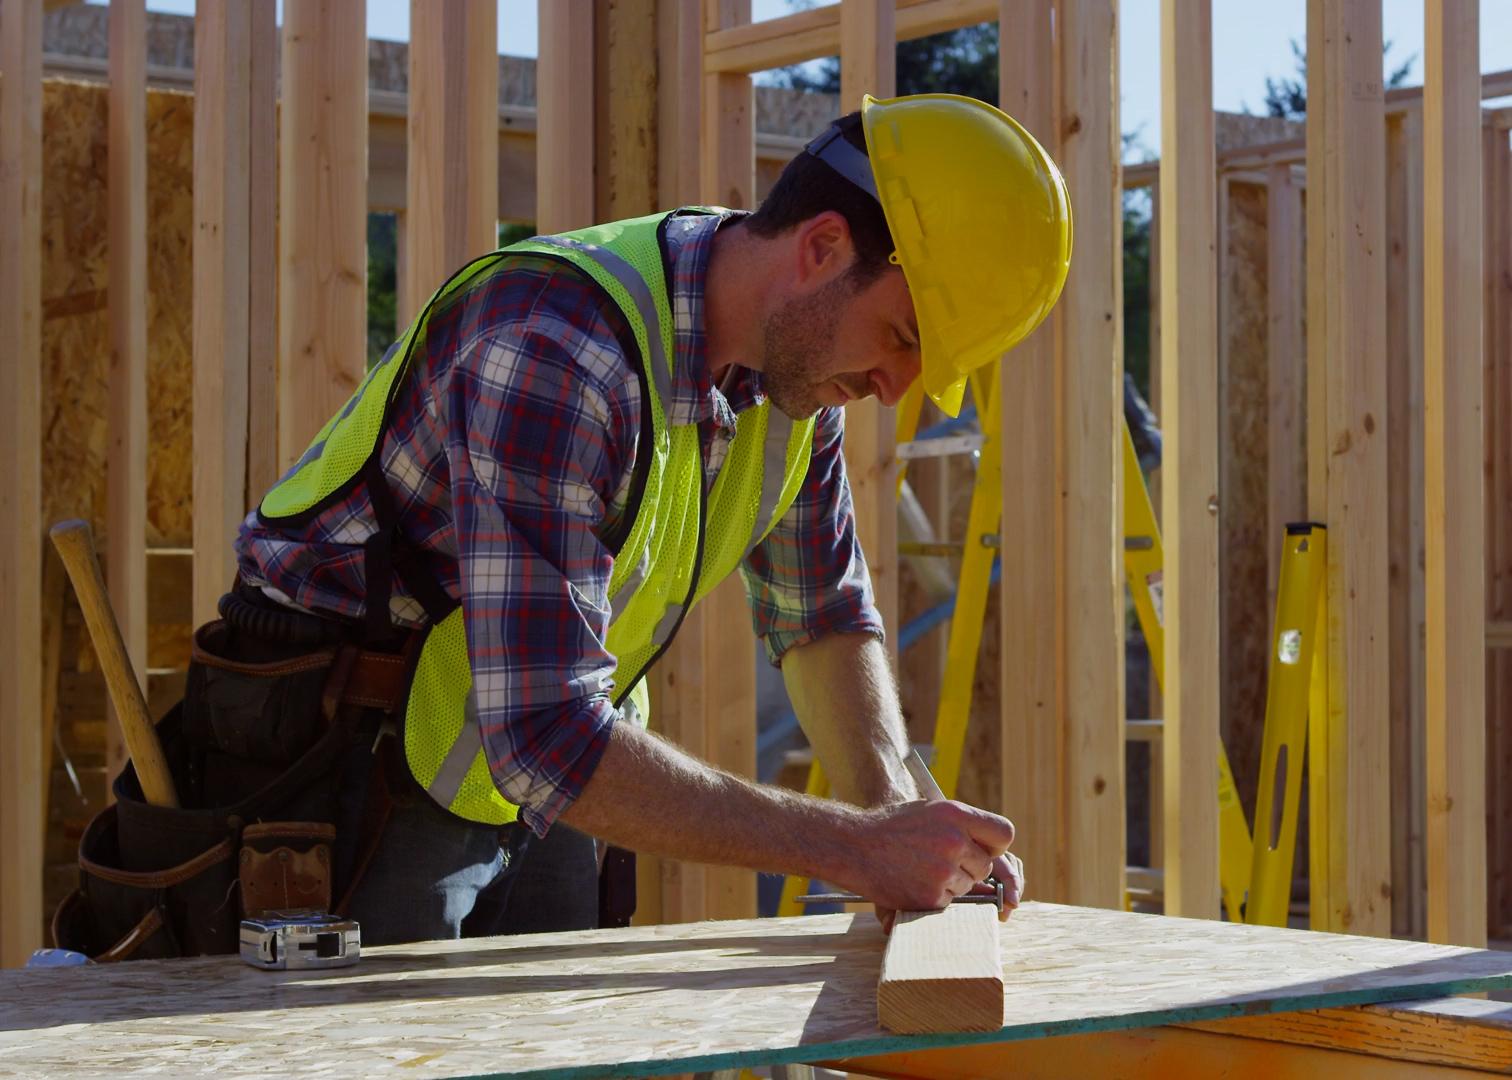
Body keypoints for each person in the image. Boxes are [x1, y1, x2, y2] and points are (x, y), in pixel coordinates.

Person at [200, 92, 1071, 945]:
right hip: (343, 748)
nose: (896, 387)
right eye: (903, 335)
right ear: (822, 248)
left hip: (541, 765)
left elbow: (823, 614)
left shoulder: (798, 379)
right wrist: (858, 849)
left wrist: (900, 822)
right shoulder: (555, 347)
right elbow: (544, 733)